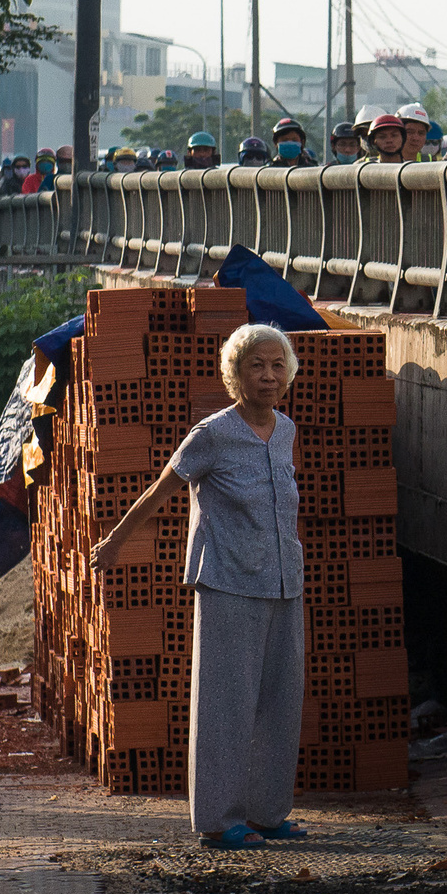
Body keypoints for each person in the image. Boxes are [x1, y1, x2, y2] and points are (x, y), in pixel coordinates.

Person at [92, 324, 309, 849]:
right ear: (234, 374)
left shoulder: (285, 431)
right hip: (228, 581)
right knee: (226, 702)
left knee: (281, 701)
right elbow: (161, 488)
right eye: (256, 366)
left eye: (277, 366)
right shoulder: (211, 433)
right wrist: (115, 542)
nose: (268, 376)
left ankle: (267, 811)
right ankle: (219, 819)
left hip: (284, 583)